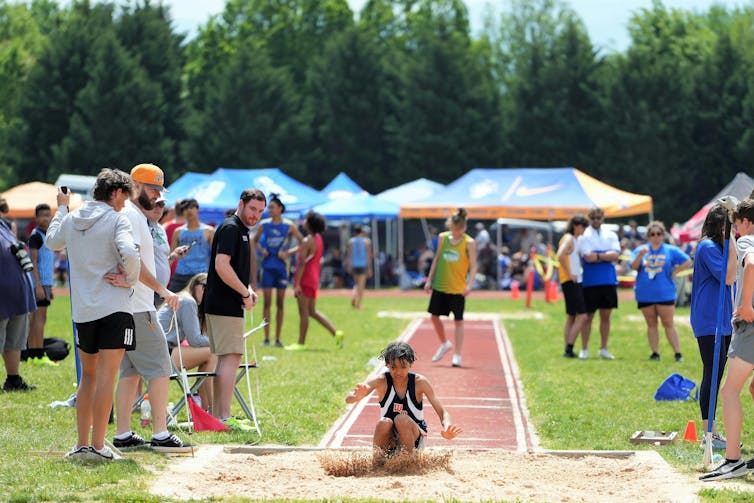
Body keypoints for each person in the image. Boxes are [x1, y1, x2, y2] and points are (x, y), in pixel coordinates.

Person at [46, 168, 140, 461]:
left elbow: (52, 242)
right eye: (125, 197)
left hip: (84, 310)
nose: (125, 204)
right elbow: (131, 253)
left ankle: (82, 444)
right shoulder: (116, 218)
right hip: (114, 307)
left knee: (87, 378)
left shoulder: (72, 218)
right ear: (115, 193)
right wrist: (131, 279)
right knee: (106, 379)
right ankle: (99, 446)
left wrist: (61, 208)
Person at [111, 163, 185, 452]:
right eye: (153, 189)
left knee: (130, 371)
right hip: (139, 306)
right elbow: (133, 260)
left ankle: (123, 434)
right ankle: (161, 433)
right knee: (160, 369)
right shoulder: (133, 216)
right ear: (136, 186)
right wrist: (163, 290)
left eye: (159, 190)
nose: (157, 196)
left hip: (130, 305)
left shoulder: (132, 215)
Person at [701, 198, 754, 481]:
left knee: (729, 391)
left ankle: (732, 459)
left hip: (750, 325)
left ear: (744, 222)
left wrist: (746, 304)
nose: (733, 231)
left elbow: (750, 264)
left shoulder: (747, 241)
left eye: (735, 225)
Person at [203, 188, 265, 427]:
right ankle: (223, 416)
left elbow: (235, 269)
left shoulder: (240, 230)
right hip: (223, 303)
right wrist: (243, 291)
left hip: (225, 302)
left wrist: (247, 288)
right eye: (252, 209)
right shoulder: (231, 228)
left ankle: (220, 415)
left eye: (260, 211)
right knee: (231, 356)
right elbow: (222, 266)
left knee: (227, 358)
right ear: (241, 204)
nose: (255, 215)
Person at [345, 341, 462, 456]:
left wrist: (447, 428)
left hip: (415, 438)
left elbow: (442, 412)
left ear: (411, 365)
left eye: (403, 367)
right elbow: (348, 398)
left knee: (401, 419)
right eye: (393, 367)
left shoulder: (420, 382)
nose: (398, 372)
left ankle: (408, 463)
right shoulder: (381, 381)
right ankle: (377, 463)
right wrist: (356, 397)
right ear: (387, 365)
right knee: (383, 422)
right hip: (390, 439)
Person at [691, 204, 736, 450]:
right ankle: (710, 432)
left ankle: (712, 431)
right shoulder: (708, 247)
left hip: (722, 319)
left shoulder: (719, 247)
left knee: (716, 373)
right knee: (712, 372)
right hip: (709, 319)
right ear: (720, 226)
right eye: (730, 226)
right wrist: (733, 245)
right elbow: (729, 277)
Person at [630, 221, 692, 361]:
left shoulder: (670, 249)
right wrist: (640, 255)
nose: (655, 236)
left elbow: (687, 260)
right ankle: (655, 353)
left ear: (663, 235)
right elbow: (633, 267)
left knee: (668, 323)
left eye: (659, 233)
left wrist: (675, 271)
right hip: (645, 293)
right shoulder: (641, 249)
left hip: (665, 292)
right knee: (651, 324)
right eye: (652, 234)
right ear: (648, 236)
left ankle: (678, 353)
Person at [424, 208, 477, 368]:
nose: (455, 232)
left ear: (463, 228)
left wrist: (469, 285)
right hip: (440, 284)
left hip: (458, 288)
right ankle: (445, 343)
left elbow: (474, 266)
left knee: (458, 321)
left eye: (458, 229)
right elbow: (437, 258)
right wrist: (429, 279)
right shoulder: (443, 238)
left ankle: (457, 355)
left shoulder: (469, 243)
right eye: (452, 228)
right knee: (434, 317)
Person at [158, 272, 216, 410]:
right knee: (214, 352)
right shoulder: (188, 301)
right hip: (161, 354)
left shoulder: (184, 299)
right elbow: (195, 340)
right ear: (199, 286)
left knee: (211, 354)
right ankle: (212, 410)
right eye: (208, 288)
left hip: (159, 351)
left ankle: (208, 410)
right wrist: (221, 341)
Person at [286, 211, 344, 351]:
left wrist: (297, 284)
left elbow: (301, 264)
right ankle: (336, 333)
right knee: (312, 311)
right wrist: (288, 253)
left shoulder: (307, 240)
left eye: (305, 220)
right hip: (314, 278)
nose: (303, 222)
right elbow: (303, 249)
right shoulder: (317, 238)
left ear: (310, 224)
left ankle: (301, 343)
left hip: (305, 279)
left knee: (304, 312)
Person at [252, 194, 303, 347]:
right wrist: (262, 250)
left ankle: (278, 339)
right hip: (267, 267)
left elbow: (303, 243)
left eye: (272, 207)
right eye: (269, 208)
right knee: (267, 303)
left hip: (282, 268)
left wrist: (288, 253)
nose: (269, 210)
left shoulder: (289, 225)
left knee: (280, 304)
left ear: (280, 209)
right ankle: (266, 339)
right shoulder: (264, 224)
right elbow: (254, 241)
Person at [577, 206, 620, 360]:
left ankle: (603, 348)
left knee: (606, 316)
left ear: (602, 218)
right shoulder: (584, 236)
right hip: (590, 281)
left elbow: (616, 254)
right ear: (589, 219)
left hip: (608, 280)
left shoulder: (610, 234)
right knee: (588, 316)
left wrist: (598, 256)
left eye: (598, 217)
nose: (596, 220)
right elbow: (588, 257)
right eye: (593, 217)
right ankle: (584, 348)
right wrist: (605, 255)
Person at [27, 203, 57, 366]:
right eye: (42, 215)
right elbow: (33, 261)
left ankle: (33, 352)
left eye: (48, 215)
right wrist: (38, 286)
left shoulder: (47, 235)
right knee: (39, 319)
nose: (46, 218)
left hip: (45, 283)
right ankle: (37, 354)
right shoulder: (36, 236)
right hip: (38, 283)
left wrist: (49, 287)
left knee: (39, 319)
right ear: (36, 218)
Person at [145, 198, 190, 307]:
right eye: (155, 204)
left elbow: (161, 259)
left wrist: (173, 256)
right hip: (146, 291)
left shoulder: (161, 228)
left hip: (160, 291)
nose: (158, 208)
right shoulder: (141, 225)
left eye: (162, 204)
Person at [556, 214, 589, 358]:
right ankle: (569, 346)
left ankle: (567, 348)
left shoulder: (573, 239)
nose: (583, 231)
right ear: (576, 225)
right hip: (571, 280)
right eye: (582, 227)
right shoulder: (569, 238)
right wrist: (570, 274)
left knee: (571, 316)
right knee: (582, 316)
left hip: (571, 280)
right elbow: (560, 255)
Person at [169, 198, 214, 292]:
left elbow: (216, 255)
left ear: (197, 209)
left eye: (191, 207)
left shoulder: (209, 231)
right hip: (181, 274)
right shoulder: (178, 232)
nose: (188, 210)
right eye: (185, 208)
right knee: (173, 303)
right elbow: (171, 256)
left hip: (201, 275)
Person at [346, 224, 373, 310]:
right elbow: (368, 256)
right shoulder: (366, 241)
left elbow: (349, 255)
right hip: (363, 265)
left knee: (356, 284)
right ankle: (358, 304)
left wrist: (349, 265)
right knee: (361, 286)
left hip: (354, 265)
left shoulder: (351, 241)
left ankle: (354, 295)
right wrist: (369, 268)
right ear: (362, 231)